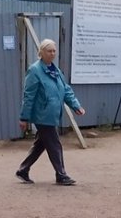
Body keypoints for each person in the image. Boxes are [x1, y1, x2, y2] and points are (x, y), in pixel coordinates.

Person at [16, 39, 85, 185]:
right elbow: (29, 95)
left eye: (54, 51)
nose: (52, 53)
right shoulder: (34, 70)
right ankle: (61, 175)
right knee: (54, 144)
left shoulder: (55, 70)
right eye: (49, 51)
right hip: (42, 115)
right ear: (41, 52)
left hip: (52, 114)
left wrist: (76, 105)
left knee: (41, 144)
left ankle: (23, 170)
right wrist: (24, 117)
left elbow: (65, 89)